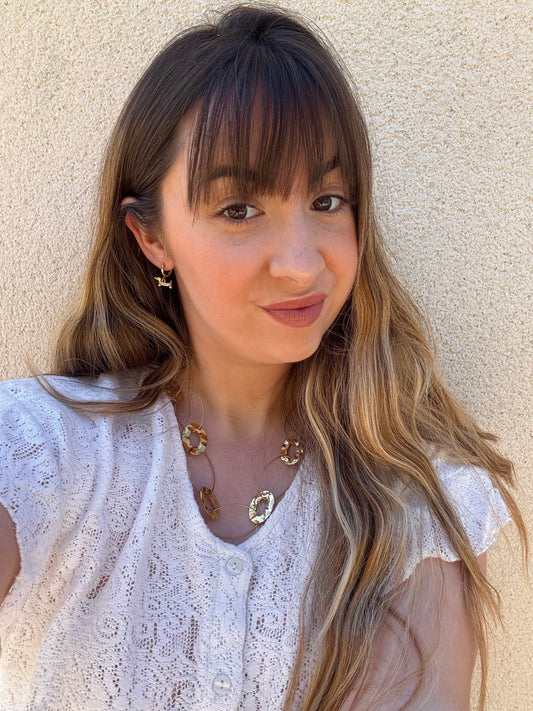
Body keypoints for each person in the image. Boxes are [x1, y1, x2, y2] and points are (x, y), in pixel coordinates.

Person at [0, 5, 525, 710]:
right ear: (151, 237)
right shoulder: (45, 450)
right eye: (238, 209)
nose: (302, 264)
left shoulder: (415, 496)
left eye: (327, 200)